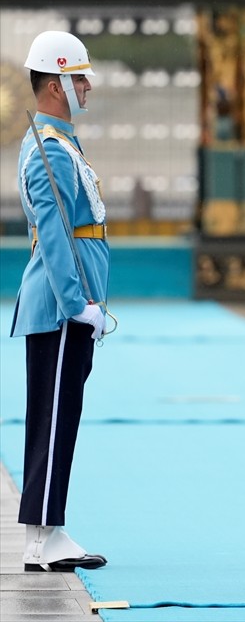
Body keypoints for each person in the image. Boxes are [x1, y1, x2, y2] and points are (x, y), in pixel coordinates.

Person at [12, 30, 110, 572]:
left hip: (69, 301)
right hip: (58, 303)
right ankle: (42, 537)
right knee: (52, 417)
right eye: (78, 78)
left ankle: (48, 529)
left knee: (58, 415)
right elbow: (53, 235)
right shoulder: (49, 147)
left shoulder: (59, 141)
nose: (87, 86)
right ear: (55, 85)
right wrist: (77, 302)